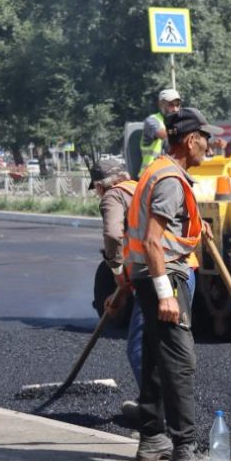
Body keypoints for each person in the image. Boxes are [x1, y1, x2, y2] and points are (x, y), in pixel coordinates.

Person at [125, 107, 221, 461]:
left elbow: (165, 230)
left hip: (148, 277)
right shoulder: (169, 179)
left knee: (154, 355)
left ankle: (152, 438)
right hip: (163, 278)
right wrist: (166, 293)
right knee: (180, 362)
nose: (209, 145)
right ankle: (184, 447)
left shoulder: (160, 171)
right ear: (190, 139)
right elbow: (152, 241)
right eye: (205, 138)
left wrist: (196, 233)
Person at [89, 158, 143, 421]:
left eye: (97, 188)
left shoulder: (113, 196)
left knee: (138, 347)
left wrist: (118, 274)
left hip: (149, 277)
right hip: (179, 272)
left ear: (101, 185)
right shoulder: (144, 188)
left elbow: (113, 236)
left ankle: (154, 409)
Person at [139, 89, 182, 177]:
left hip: (169, 172)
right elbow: (162, 134)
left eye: (177, 105)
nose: (175, 109)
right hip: (149, 174)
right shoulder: (152, 121)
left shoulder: (178, 124)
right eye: (171, 105)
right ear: (161, 104)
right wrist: (182, 129)